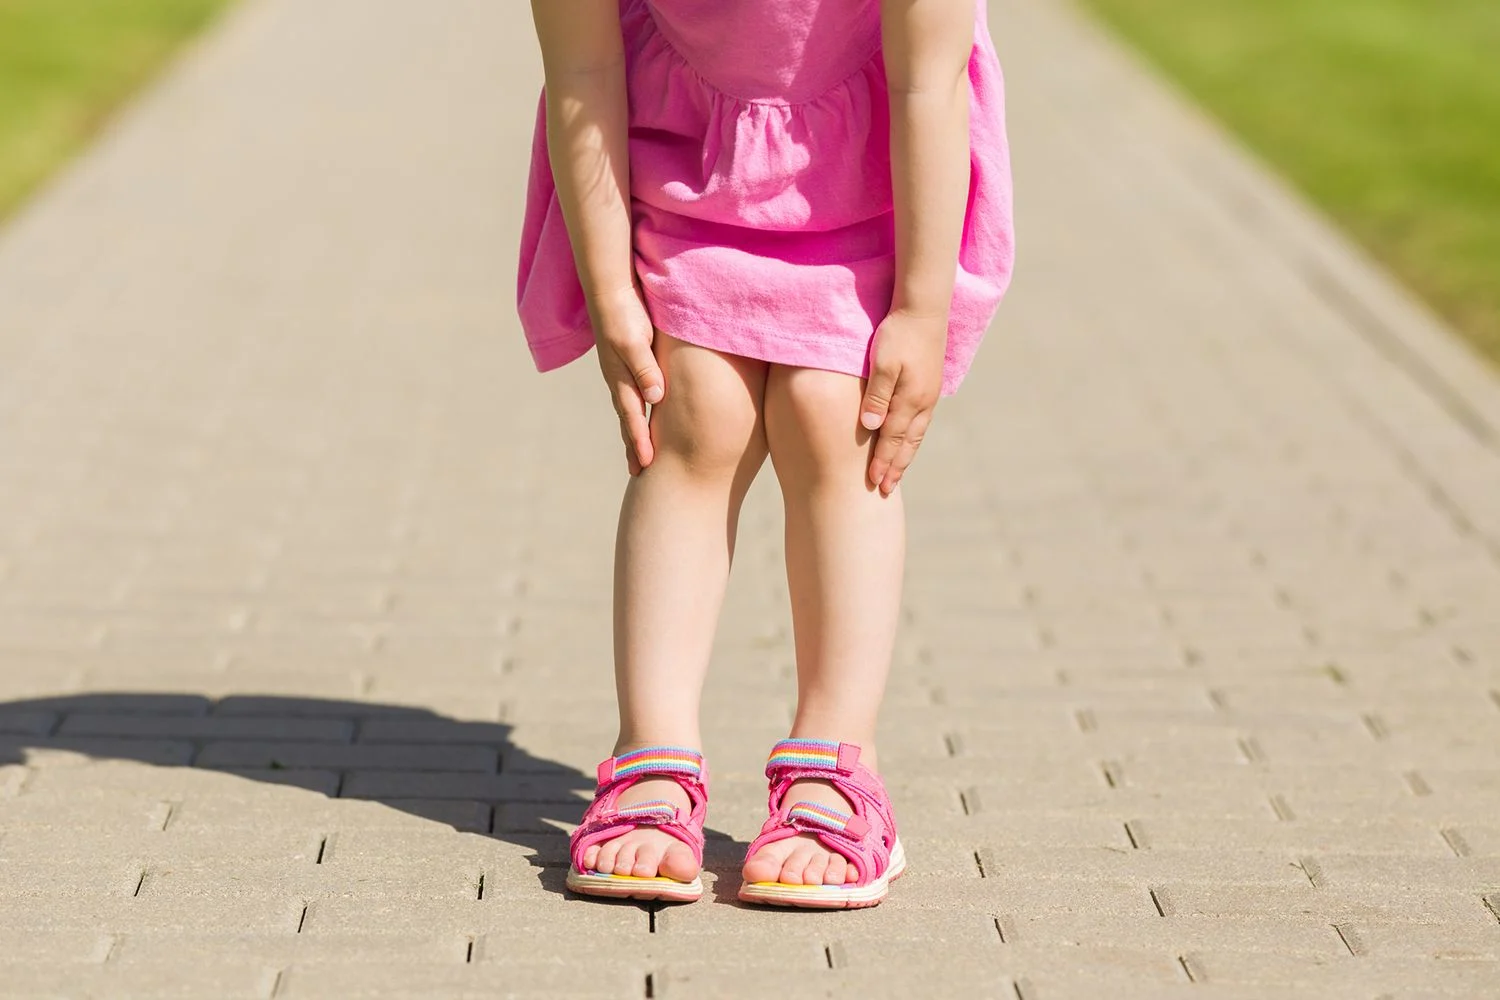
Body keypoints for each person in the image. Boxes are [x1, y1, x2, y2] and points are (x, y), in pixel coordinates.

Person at [518, 0, 1013, 908]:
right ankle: (652, 754)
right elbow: (582, 75)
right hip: (687, 160)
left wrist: (920, 306)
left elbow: (927, 80)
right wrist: (610, 289)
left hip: (879, 175)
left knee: (836, 415)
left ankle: (837, 759)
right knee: (695, 412)